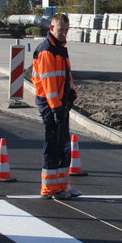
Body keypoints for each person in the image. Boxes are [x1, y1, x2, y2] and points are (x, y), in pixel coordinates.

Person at [32, 13, 80, 200]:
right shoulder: (47, 51)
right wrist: (56, 108)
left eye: (66, 30)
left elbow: (66, 74)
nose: (64, 34)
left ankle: (61, 186)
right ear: (51, 28)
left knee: (63, 145)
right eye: (61, 30)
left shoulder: (60, 48)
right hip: (50, 104)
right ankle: (50, 189)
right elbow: (49, 84)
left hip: (59, 103)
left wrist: (71, 91)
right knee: (53, 145)